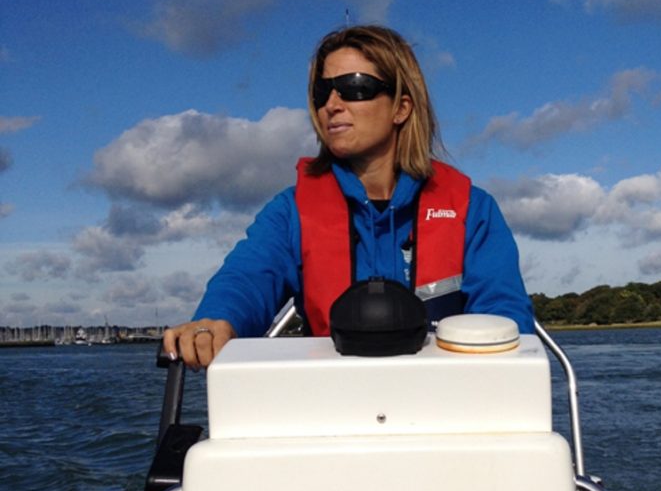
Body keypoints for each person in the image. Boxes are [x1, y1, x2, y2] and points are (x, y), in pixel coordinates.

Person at [163, 25, 533, 368]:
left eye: (355, 86)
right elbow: (247, 277)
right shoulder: (290, 213)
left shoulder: (473, 210)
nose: (332, 104)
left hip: (446, 409)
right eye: (323, 91)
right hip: (333, 410)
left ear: (401, 107)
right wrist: (216, 319)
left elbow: (504, 315)